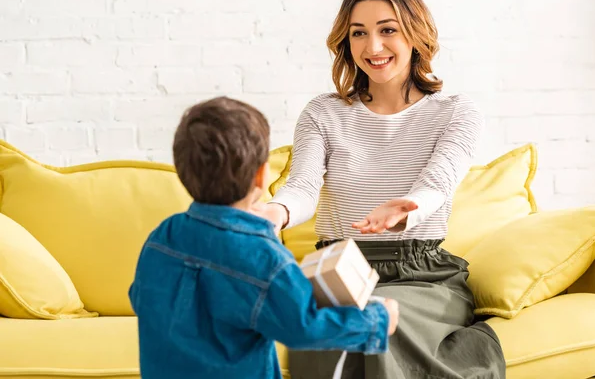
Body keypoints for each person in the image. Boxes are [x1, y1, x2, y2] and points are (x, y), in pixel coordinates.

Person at [255, 0, 507, 378]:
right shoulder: (324, 114)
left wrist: (410, 208)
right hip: (339, 269)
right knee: (325, 327)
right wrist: (276, 212)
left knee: (374, 323)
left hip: (421, 275)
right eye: (359, 33)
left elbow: (439, 182)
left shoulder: (456, 113)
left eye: (387, 29)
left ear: (415, 31)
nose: (372, 47)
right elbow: (302, 186)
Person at [128, 96, 400, 379]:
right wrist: (378, 320)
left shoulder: (163, 236)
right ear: (261, 176)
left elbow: (140, 298)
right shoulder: (264, 257)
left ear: (183, 172)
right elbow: (305, 325)